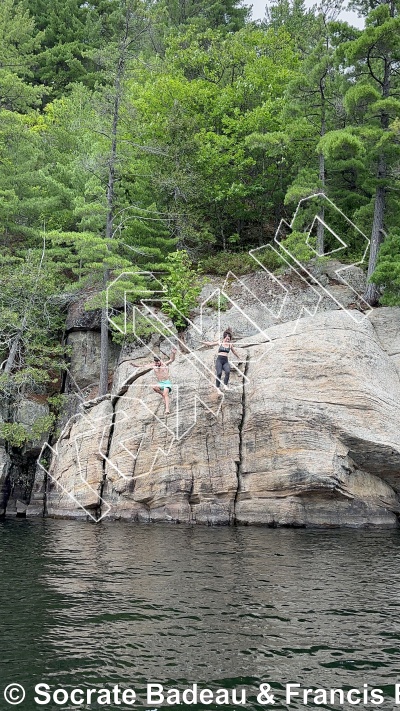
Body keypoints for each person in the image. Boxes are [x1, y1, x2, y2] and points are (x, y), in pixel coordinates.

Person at [131, 348, 177, 415]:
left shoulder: (164, 364)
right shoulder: (153, 365)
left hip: (167, 382)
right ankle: (163, 395)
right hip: (161, 383)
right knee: (154, 387)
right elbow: (143, 366)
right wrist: (136, 365)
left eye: (158, 362)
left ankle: (167, 409)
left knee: (165, 394)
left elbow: (172, 359)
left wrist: (173, 353)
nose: (157, 363)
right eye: (156, 362)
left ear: (160, 361)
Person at [200, 329, 239, 395]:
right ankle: (218, 388)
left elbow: (234, 351)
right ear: (224, 337)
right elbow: (211, 344)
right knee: (219, 373)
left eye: (229, 339)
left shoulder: (230, 345)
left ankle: (225, 385)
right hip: (219, 360)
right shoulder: (220, 342)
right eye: (227, 338)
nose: (228, 340)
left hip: (225, 361)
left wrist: (238, 356)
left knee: (227, 371)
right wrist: (203, 342)